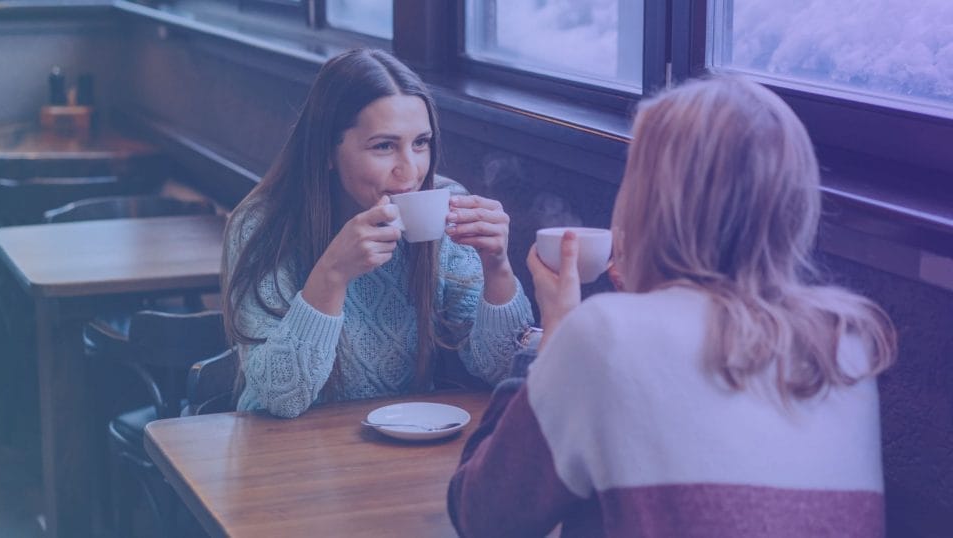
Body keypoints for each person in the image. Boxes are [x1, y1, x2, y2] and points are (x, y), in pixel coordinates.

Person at [448, 76, 897, 537]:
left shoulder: (603, 336)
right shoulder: (847, 341)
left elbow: (483, 519)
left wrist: (555, 334)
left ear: (649, 204)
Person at [222, 49, 534, 418]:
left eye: (421, 143)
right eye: (384, 146)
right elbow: (282, 397)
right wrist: (332, 273)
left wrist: (497, 267)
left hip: (403, 443)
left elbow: (502, 370)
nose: (411, 170)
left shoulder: (448, 208)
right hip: (278, 449)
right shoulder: (262, 226)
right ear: (326, 151)